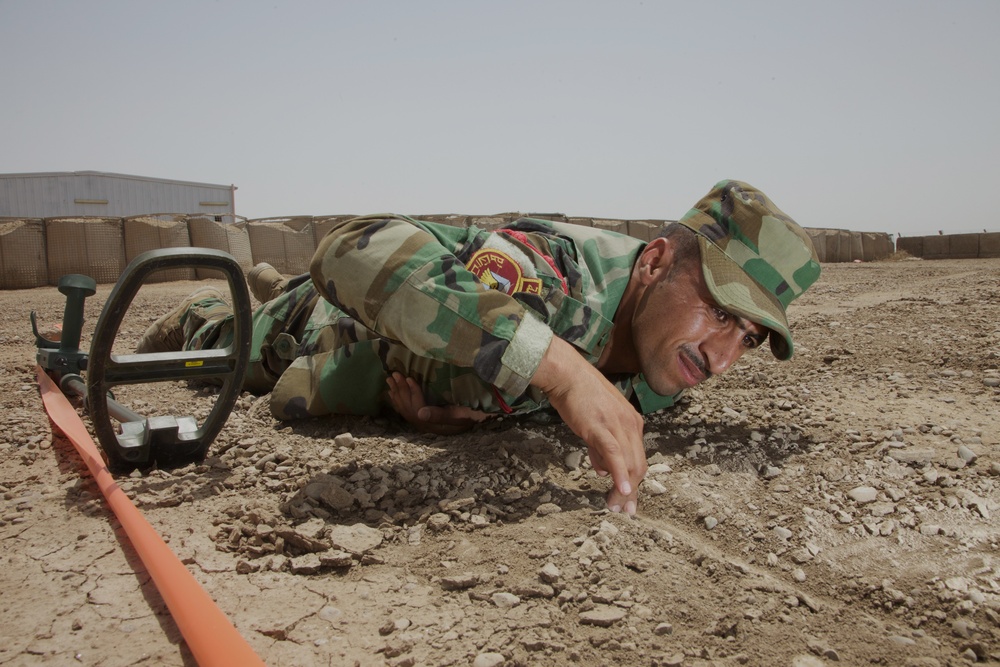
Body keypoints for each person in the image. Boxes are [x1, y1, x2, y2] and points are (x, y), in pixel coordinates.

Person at [137, 179, 820, 515]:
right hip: (325, 330)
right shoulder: (554, 276)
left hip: (397, 377)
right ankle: (204, 305)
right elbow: (352, 249)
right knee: (228, 344)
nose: (724, 356)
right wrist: (563, 371)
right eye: (720, 312)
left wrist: (459, 419)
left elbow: (517, 391)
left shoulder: (664, 364)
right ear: (655, 262)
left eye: (749, 338)